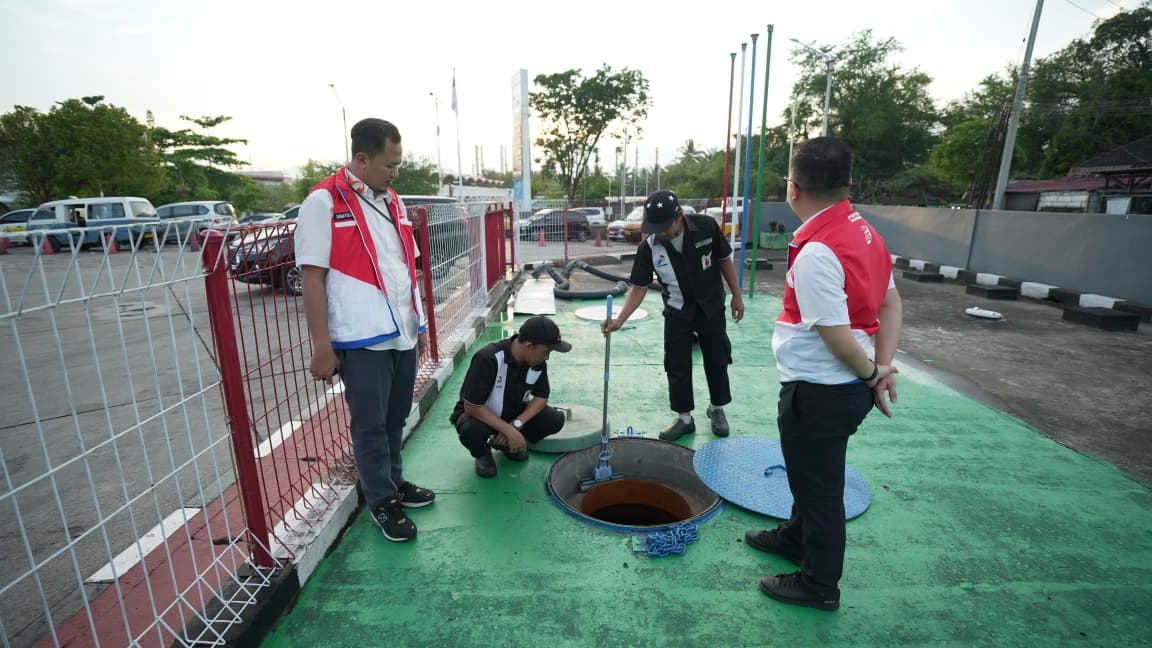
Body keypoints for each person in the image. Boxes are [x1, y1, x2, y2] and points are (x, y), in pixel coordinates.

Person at [747, 137, 903, 611]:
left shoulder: (819, 249)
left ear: (792, 189)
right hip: (843, 387)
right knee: (809, 475)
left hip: (820, 392)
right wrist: (879, 368)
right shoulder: (866, 234)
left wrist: (875, 370)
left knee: (820, 491)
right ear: (847, 183)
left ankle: (819, 585)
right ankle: (796, 537)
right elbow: (891, 303)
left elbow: (836, 338)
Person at [295, 118, 436, 543]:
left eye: (397, 164)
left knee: (395, 417)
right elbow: (313, 277)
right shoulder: (323, 202)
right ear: (362, 158)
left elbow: (403, 268)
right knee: (370, 424)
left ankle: (392, 482)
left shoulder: (391, 200)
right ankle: (381, 501)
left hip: (402, 330)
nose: (395, 173)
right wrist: (323, 346)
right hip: (361, 336)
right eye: (389, 164)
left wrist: (421, 323)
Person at [601, 190, 745, 441]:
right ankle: (684, 418)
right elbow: (639, 286)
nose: (660, 232)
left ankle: (717, 409)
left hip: (711, 307)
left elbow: (723, 259)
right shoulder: (650, 247)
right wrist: (619, 319)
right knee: (677, 364)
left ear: (679, 216)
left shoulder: (706, 227)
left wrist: (737, 295)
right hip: (678, 310)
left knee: (717, 358)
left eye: (665, 226)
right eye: (655, 226)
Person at [451, 316, 571, 477]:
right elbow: (472, 407)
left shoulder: (537, 362)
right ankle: (482, 453)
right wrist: (508, 430)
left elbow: (541, 397)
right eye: (546, 351)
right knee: (472, 431)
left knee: (554, 419)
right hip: (479, 416)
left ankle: (506, 445)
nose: (547, 357)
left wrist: (515, 425)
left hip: (512, 414)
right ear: (529, 345)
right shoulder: (488, 358)